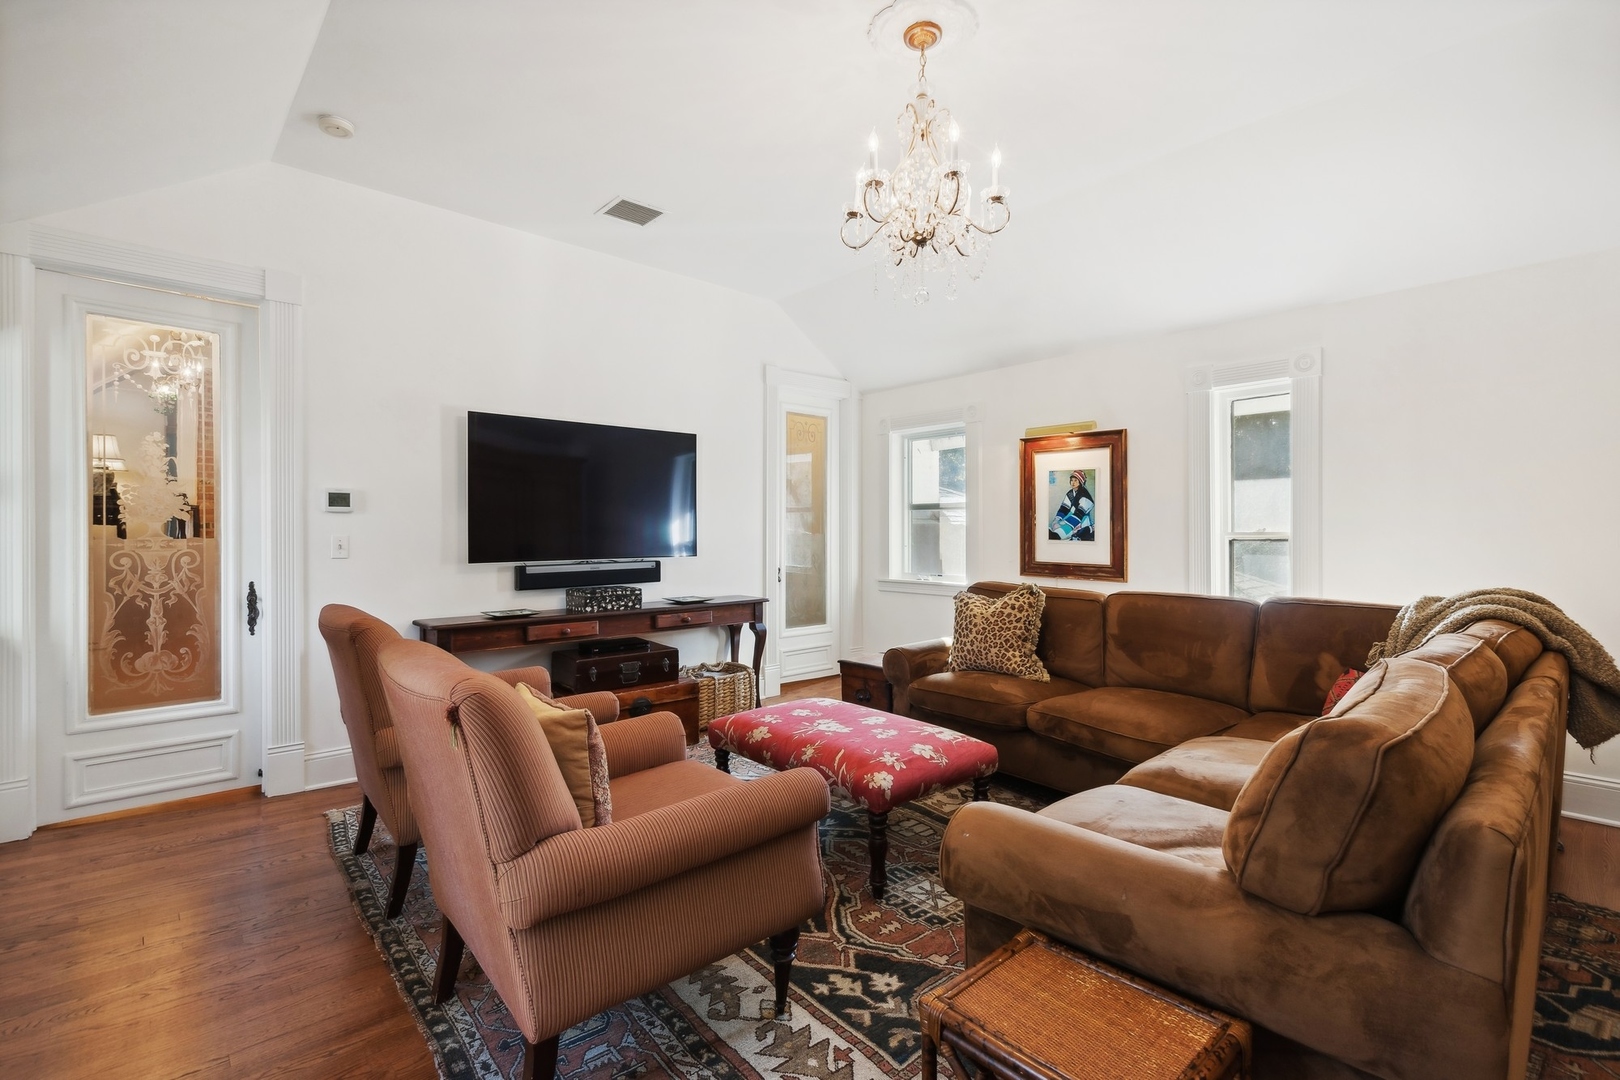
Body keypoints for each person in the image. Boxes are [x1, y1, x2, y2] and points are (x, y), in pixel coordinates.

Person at [1048, 470, 1095, 541]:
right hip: (1073, 517)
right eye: (1071, 480)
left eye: (1075, 480)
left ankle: (1057, 535)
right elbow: (1064, 508)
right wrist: (1056, 520)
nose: (1073, 482)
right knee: (1057, 526)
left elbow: (1079, 514)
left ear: (1080, 482)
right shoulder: (1070, 493)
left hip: (1081, 519)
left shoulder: (1085, 497)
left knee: (1065, 529)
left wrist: (1064, 523)